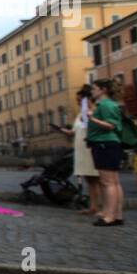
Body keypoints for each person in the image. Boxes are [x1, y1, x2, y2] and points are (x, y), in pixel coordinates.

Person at [53, 85, 101, 216]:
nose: (78, 102)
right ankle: (93, 207)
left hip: (91, 149)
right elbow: (73, 132)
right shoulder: (80, 114)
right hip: (80, 150)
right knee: (89, 180)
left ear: (88, 99)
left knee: (98, 180)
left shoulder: (95, 111)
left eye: (80, 100)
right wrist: (61, 130)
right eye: (77, 100)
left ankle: (104, 208)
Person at [86, 78, 125, 227]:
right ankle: (116, 214)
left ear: (103, 90)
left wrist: (92, 118)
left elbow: (111, 125)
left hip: (104, 143)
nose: (92, 91)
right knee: (113, 182)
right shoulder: (106, 104)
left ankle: (110, 216)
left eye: (94, 88)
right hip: (108, 143)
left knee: (107, 182)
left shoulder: (106, 105)